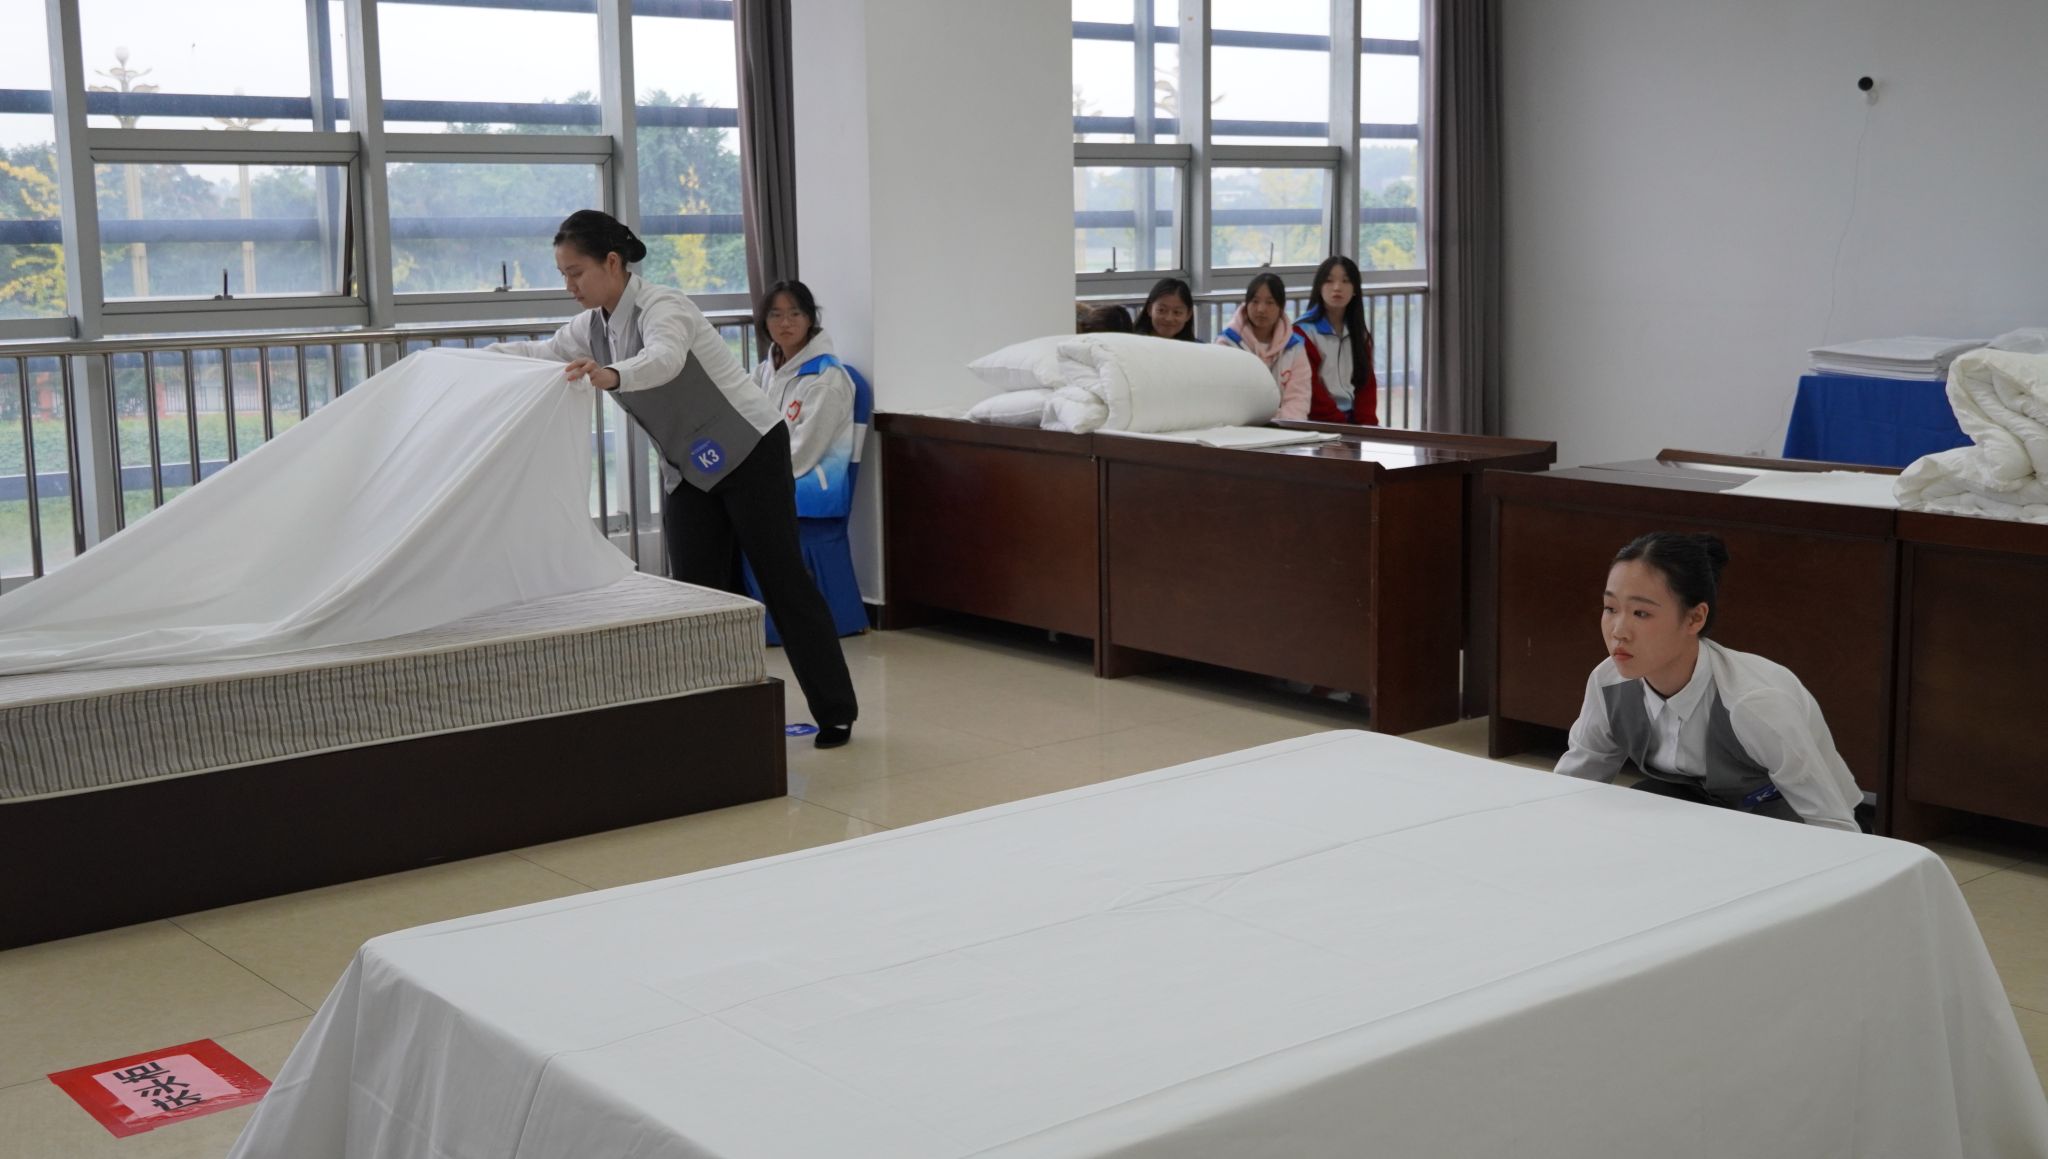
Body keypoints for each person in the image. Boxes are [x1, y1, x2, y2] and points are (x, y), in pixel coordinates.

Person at [491, 210, 857, 748]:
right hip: (689, 467)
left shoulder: (665, 306)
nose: (569, 285)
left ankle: (836, 711)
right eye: (563, 274)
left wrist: (611, 375)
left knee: (781, 579)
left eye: (576, 272)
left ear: (611, 263)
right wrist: (472, 361)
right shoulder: (590, 328)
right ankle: (723, 713)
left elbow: (663, 360)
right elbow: (540, 354)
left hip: (750, 449)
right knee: (701, 593)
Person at [1555, 532, 1866, 832]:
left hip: (1788, 820)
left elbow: (1833, 824)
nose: (1618, 631)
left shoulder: (1753, 702)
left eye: (1641, 613)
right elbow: (1571, 788)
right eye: (1610, 608)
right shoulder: (1607, 682)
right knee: (1640, 803)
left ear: (1695, 618)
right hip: (1702, 815)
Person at [753, 280, 855, 494]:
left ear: (809, 318)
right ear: (765, 322)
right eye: (775, 315)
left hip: (810, 496)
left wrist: (752, 476)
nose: (785, 323)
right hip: (773, 483)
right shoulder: (765, 371)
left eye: (795, 314)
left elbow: (802, 455)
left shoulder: (826, 378)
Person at [1293, 256, 1378, 425]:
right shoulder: (1303, 332)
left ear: (1355, 289)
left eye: (1346, 281)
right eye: (1329, 281)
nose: (1337, 288)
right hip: (1318, 421)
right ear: (1319, 287)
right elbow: (1310, 388)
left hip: (1353, 421)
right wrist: (1342, 425)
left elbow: (1366, 384)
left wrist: (1367, 426)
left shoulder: (1358, 332)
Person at [1215, 272, 1311, 420]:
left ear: (1281, 307)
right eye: (1255, 301)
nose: (1261, 309)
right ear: (1246, 304)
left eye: (1270, 302)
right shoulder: (1227, 344)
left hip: (1284, 426)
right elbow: (1225, 395)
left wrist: (1286, 427)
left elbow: (1298, 398)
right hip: (1240, 424)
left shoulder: (1294, 347)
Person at [1132, 277, 1198, 342]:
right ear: (1149, 309)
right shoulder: (1132, 343)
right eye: (1161, 310)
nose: (1169, 318)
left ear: (1188, 315)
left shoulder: (1196, 347)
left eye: (1177, 312)